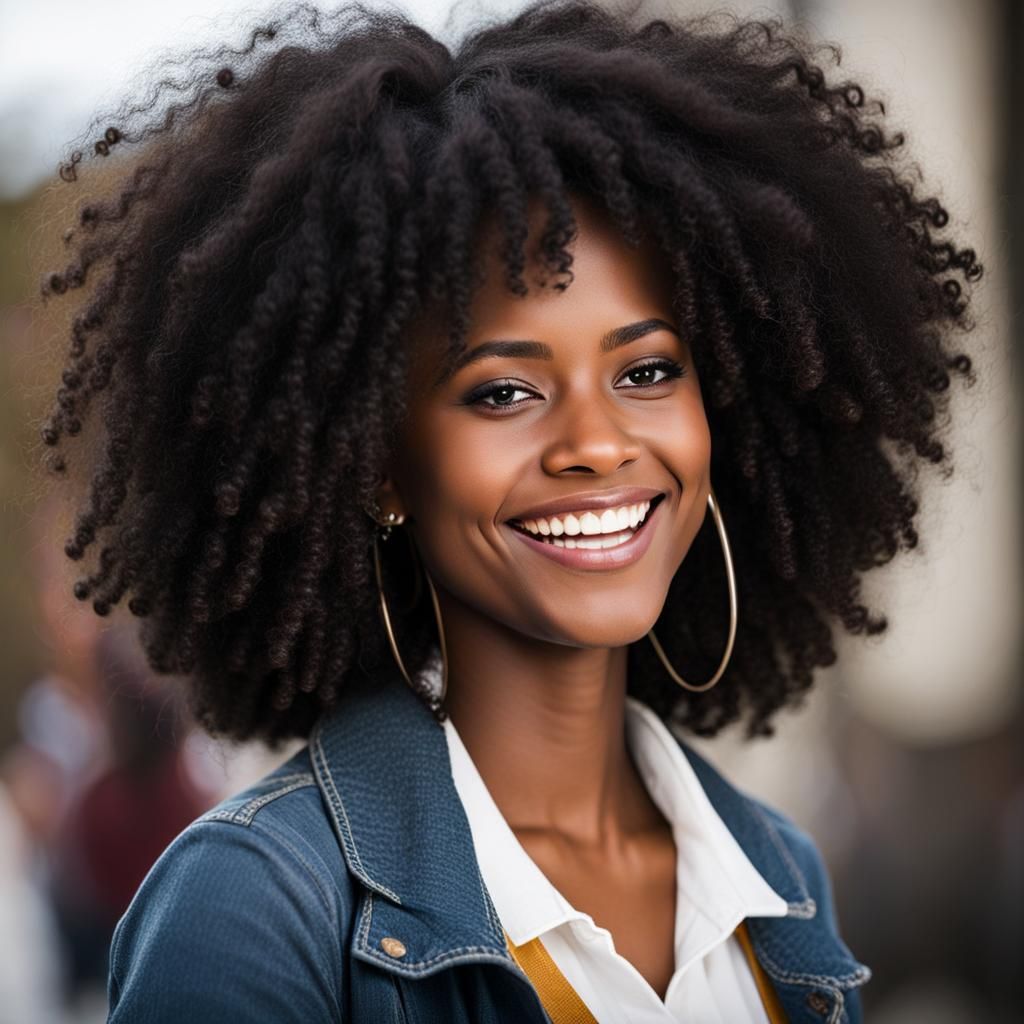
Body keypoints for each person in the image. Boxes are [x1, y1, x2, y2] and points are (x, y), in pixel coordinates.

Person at [35, 1, 982, 1020]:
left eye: (649, 370)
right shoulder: (255, 907)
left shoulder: (777, 875)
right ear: (379, 465)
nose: (597, 444)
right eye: (503, 391)